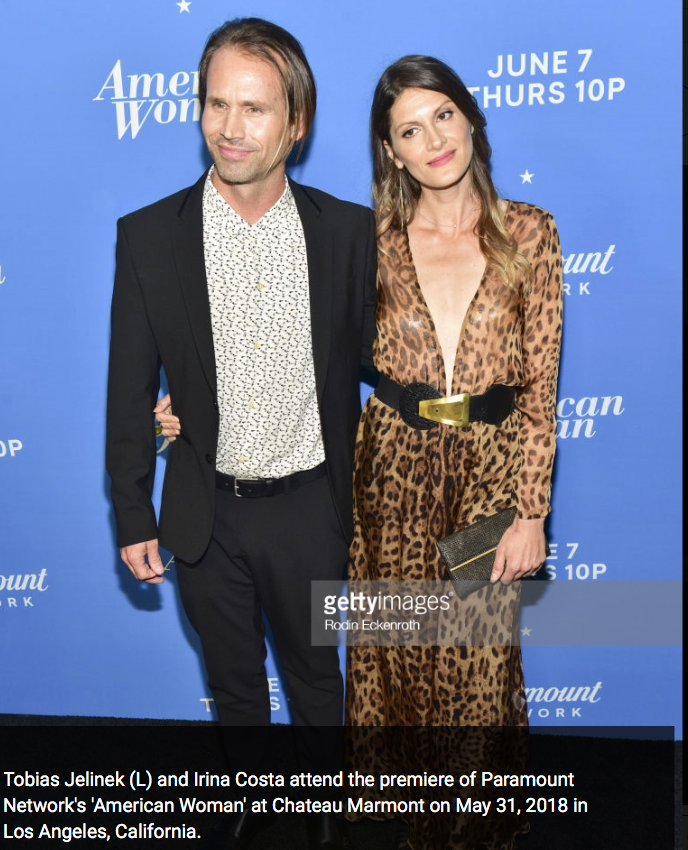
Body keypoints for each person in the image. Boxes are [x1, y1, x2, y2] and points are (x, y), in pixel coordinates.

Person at [106, 17, 376, 850]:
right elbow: (127, 388)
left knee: (315, 683)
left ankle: (320, 811)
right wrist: (133, 513)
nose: (230, 127)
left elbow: (385, 363)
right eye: (216, 103)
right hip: (203, 515)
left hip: (311, 508)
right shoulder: (148, 235)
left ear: (296, 122)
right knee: (233, 688)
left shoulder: (348, 233)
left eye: (254, 109)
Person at [341, 55, 563, 850]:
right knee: (397, 662)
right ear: (391, 151)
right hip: (392, 470)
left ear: (470, 116)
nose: (432, 139)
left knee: (474, 669)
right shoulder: (367, 241)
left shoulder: (531, 232)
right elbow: (303, 352)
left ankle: (474, 833)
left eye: (442, 115)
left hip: (492, 474)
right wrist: (196, 405)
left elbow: (541, 390)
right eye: (409, 129)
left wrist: (531, 511)